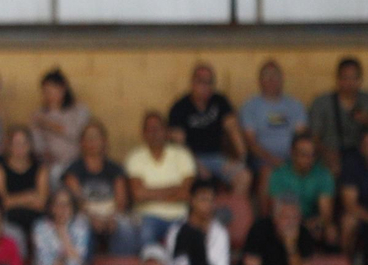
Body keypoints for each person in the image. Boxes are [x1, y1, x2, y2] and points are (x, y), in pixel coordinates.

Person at [168, 64, 250, 196]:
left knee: (244, 176)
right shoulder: (180, 107)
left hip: (217, 157)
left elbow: (233, 130)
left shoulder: (220, 101)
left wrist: (242, 159)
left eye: (209, 82)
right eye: (201, 82)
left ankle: (228, 214)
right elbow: (179, 146)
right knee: (200, 179)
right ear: (193, 83)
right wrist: (196, 165)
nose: (205, 86)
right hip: (192, 158)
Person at [63, 120, 139, 255]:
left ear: (104, 141)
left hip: (112, 216)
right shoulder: (73, 170)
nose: (92, 142)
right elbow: (76, 203)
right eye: (88, 138)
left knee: (125, 226)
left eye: (96, 137)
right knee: (80, 226)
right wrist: (92, 219)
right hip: (85, 216)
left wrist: (111, 218)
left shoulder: (115, 169)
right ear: (81, 143)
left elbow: (121, 202)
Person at [126, 111, 198, 247]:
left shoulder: (182, 154)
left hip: (179, 216)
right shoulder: (135, 157)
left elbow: (186, 193)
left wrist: (150, 194)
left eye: (158, 128)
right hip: (146, 217)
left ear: (166, 131)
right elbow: (138, 195)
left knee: (185, 241)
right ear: (143, 133)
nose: (154, 132)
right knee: (145, 234)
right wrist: (174, 188)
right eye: (149, 129)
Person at [240, 59, 308, 179]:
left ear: (282, 79)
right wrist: (274, 161)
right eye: (266, 76)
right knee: (268, 173)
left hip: (293, 158)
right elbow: (251, 143)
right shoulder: (250, 107)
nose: (271, 80)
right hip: (263, 159)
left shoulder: (295, 105)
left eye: (275, 76)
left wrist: (294, 161)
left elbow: (301, 137)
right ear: (259, 80)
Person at [265, 133, 337, 247]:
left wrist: (317, 223)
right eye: (304, 154)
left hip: (313, 222)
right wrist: (300, 225)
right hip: (287, 221)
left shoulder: (323, 174)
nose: (309, 159)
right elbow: (276, 212)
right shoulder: (279, 174)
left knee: (329, 230)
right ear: (292, 154)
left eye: (312, 155)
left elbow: (326, 213)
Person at [307, 55, 368, 174]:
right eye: (345, 78)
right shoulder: (322, 103)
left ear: (360, 80)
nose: (350, 83)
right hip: (330, 153)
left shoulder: (366, 101)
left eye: (354, 78)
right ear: (337, 79)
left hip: (361, 155)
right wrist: (327, 153)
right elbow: (313, 137)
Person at [0, 126, 48, 246]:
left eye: (24, 143)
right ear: (9, 146)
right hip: (9, 218)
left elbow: (42, 202)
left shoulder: (40, 168)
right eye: (16, 143)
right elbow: (1, 202)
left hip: (36, 218)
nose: (21, 147)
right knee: (12, 232)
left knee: (44, 229)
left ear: (30, 145)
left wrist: (13, 200)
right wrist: (28, 197)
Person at [30, 68, 90, 177]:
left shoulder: (80, 110)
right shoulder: (38, 115)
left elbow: (78, 134)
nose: (50, 95)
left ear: (63, 89)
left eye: (53, 90)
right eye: (46, 92)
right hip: (52, 165)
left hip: (78, 162)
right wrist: (44, 153)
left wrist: (49, 124)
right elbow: (37, 143)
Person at [339, 127, 368, 265]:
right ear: (361, 147)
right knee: (348, 221)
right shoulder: (353, 164)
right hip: (362, 217)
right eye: (367, 144)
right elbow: (350, 205)